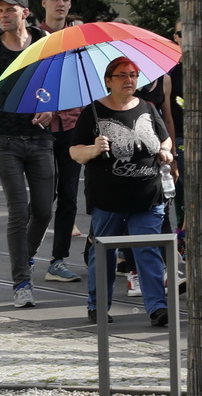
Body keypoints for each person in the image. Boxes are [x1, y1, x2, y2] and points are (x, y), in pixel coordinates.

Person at [69, 58, 175, 327]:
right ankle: (97, 306)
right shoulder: (93, 111)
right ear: (108, 80)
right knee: (104, 253)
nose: (129, 80)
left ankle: (157, 307)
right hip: (108, 199)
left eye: (133, 75)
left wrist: (165, 150)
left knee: (148, 250)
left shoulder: (148, 107)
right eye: (122, 75)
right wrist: (94, 149)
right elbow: (75, 152)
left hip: (147, 195)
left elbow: (164, 138)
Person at [0, 0, 55, 308]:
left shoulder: (43, 42)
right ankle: (21, 281)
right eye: (0, 10)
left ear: (25, 13)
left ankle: (26, 256)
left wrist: (51, 109)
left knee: (44, 210)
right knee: (18, 210)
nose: (4, 15)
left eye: (10, 9)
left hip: (40, 138)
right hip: (4, 138)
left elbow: (54, 87)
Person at [35, 0, 85, 285]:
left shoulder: (77, 39)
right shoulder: (35, 38)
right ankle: (26, 255)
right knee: (41, 201)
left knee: (68, 197)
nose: (61, 4)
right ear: (44, 2)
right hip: (40, 129)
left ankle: (58, 261)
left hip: (72, 126)